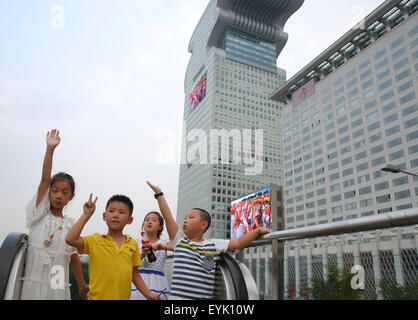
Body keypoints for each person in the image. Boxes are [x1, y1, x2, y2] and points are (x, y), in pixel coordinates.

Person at [146, 181, 271, 300]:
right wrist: (159, 194)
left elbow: (238, 243)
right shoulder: (179, 242)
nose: (185, 220)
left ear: (203, 225)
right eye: (185, 218)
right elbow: (168, 217)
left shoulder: (213, 244)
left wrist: (257, 231)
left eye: (191, 217)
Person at [21, 129, 88, 300]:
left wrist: (81, 285)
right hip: (34, 281)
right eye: (55, 190)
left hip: (57, 285)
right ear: (48, 192)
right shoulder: (38, 215)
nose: (59, 196)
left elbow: (73, 256)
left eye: (65, 192)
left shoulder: (70, 224)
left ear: (71, 197)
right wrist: (50, 149)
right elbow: (45, 178)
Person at [65, 194, 161, 300]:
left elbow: (134, 274)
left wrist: (148, 294)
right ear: (104, 216)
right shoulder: (95, 240)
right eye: (111, 211)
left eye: (121, 212)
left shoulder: (132, 244)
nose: (116, 215)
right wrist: (86, 215)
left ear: (130, 220)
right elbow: (71, 239)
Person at [130, 211, 173, 300]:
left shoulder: (164, 242)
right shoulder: (135, 242)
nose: (149, 222)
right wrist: (142, 254)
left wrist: (163, 247)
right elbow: (130, 262)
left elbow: (177, 248)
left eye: (154, 220)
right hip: (138, 278)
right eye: (147, 220)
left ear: (160, 227)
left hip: (157, 281)